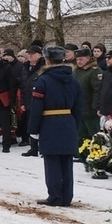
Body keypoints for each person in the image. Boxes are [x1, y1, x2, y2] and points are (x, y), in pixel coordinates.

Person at [27, 45, 83, 207]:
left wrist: (33, 129)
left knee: (52, 161)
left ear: (47, 59)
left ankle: (55, 196)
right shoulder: (73, 80)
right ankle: (67, 196)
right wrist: (74, 125)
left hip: (49, 123)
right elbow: (78, 108)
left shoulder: (43, 80)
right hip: (68, 122)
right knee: (66, 161)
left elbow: (37, 109)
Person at [72, 47, 101, 156]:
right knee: (81, 134)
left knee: (93, 134)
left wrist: (95, 107)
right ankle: (82, 154)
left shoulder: (94, 71)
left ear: (88, 58)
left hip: (90, 109)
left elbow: (97, 91)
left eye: (81, 59)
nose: (79, 61)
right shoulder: (76, 72)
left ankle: (96, 154)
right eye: (77, 59)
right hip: (79, 109)